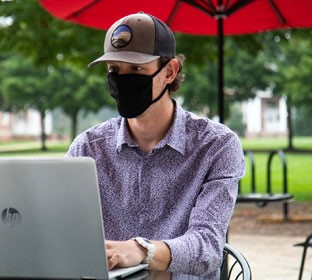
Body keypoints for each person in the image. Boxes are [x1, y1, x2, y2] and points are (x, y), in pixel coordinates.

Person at [67, 12, 245, 278]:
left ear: (170, 72)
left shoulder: (217, 147)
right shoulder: (87, 149)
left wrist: (143, 251)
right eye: (115, 70)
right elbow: (64, 233)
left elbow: (208, 248)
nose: (123, 80)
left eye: (137, 69)